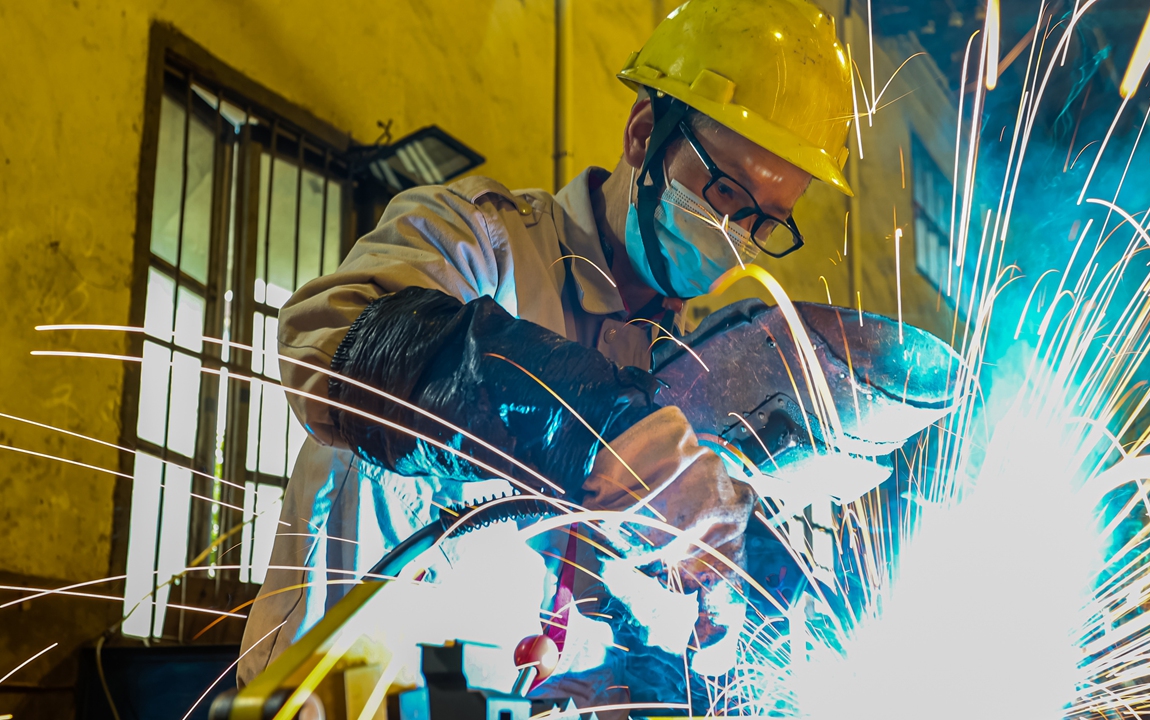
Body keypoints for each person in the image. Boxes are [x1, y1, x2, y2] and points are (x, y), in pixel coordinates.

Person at [238, 0, 854, 711]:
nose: (736, 235)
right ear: (644, 134)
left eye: (765, 220)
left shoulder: (689, 379)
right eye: (724, 192)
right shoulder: (478, 244)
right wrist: (599, 431)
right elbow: (332, 335)